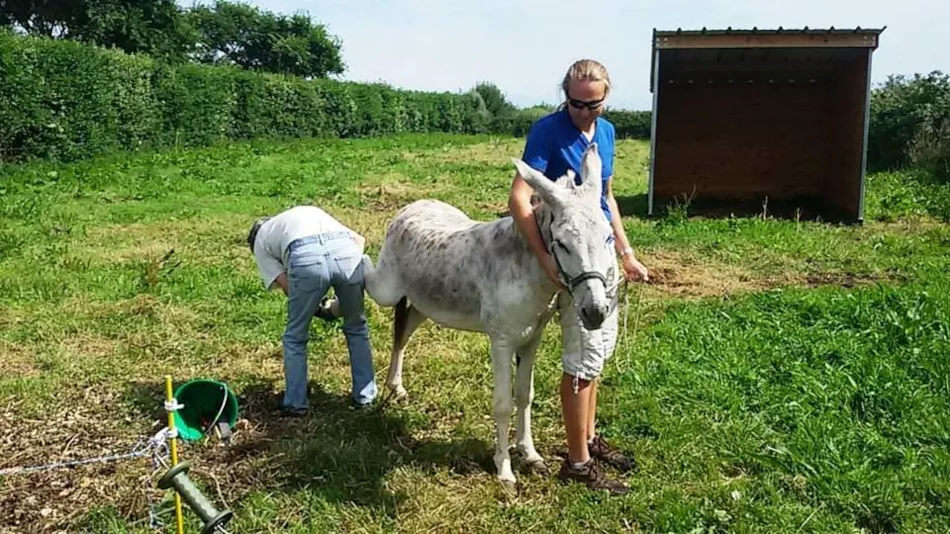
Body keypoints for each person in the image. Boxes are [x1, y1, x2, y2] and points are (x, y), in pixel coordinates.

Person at [508, 59, 649, 494]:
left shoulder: (606, 133)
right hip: (573, 259)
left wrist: (626, 252)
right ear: (565, 96)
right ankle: (578, 462)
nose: (585, 113)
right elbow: (519, 198)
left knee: (598, 352)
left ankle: (588, 437)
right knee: (582, 358)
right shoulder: (547, 131)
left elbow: (606, 197)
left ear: (606, 98)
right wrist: (546, 259)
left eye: (594, 105)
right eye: (576, 104)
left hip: (600, 251)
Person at [247, 205, 377, 416]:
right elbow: (359, 240)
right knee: (356, 327)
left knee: (295, 337)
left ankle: (295, 404)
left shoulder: (260, 242)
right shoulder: (300, 214)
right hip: (347, 251)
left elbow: (288, 287)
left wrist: (315, 308)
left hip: (305, 258)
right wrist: (340, 302)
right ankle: (365, 397)